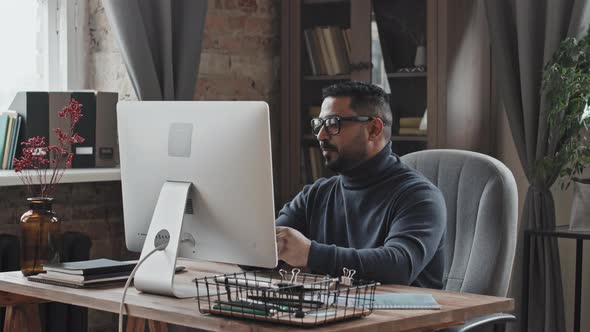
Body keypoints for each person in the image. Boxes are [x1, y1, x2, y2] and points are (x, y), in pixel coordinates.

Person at [275, 81, 446, 288]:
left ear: (374, 129)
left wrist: (311, 254)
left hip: (405, 317)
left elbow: (398, 267)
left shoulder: (420, 197)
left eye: (332, 123)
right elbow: (265, 247)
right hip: (332, 313)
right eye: (319, 125)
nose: (320, 135)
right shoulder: (315, 195)